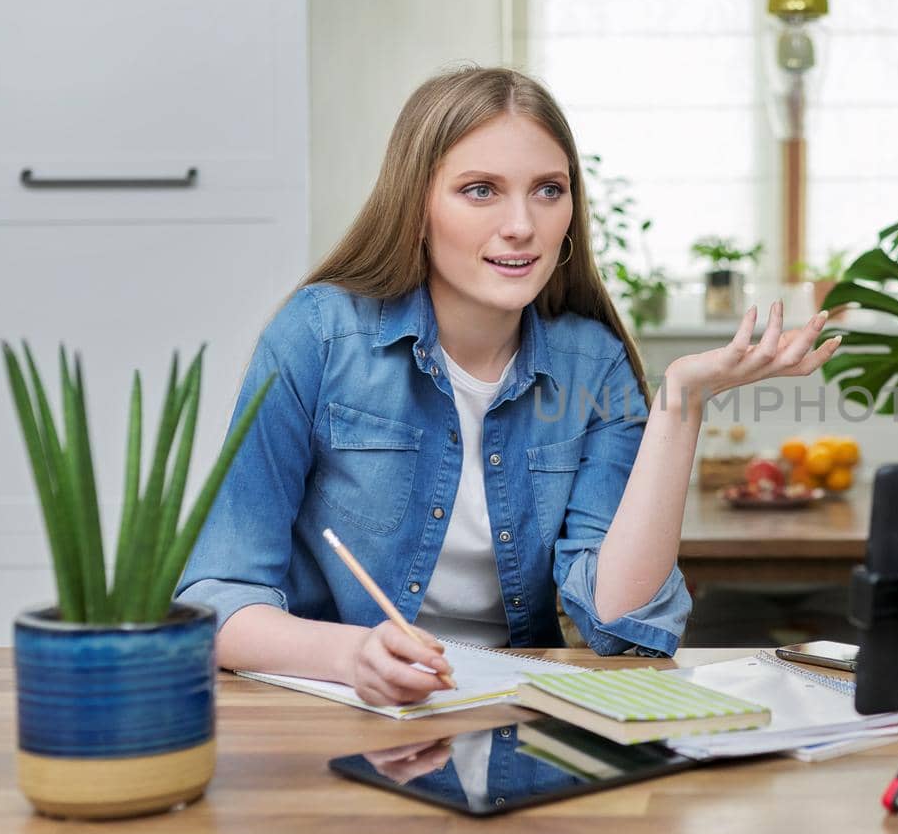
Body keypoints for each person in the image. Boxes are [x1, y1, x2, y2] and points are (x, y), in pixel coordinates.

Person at [177, 66, 838, 706]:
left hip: (515, 711)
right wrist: (352, 655)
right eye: (480, 189)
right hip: (333, 711)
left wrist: (681, 403)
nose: (522, 224)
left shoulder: (594, 363)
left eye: (548, 189)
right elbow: (220, 601)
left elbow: (619, 623)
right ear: (416, 208)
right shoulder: (319, 336)